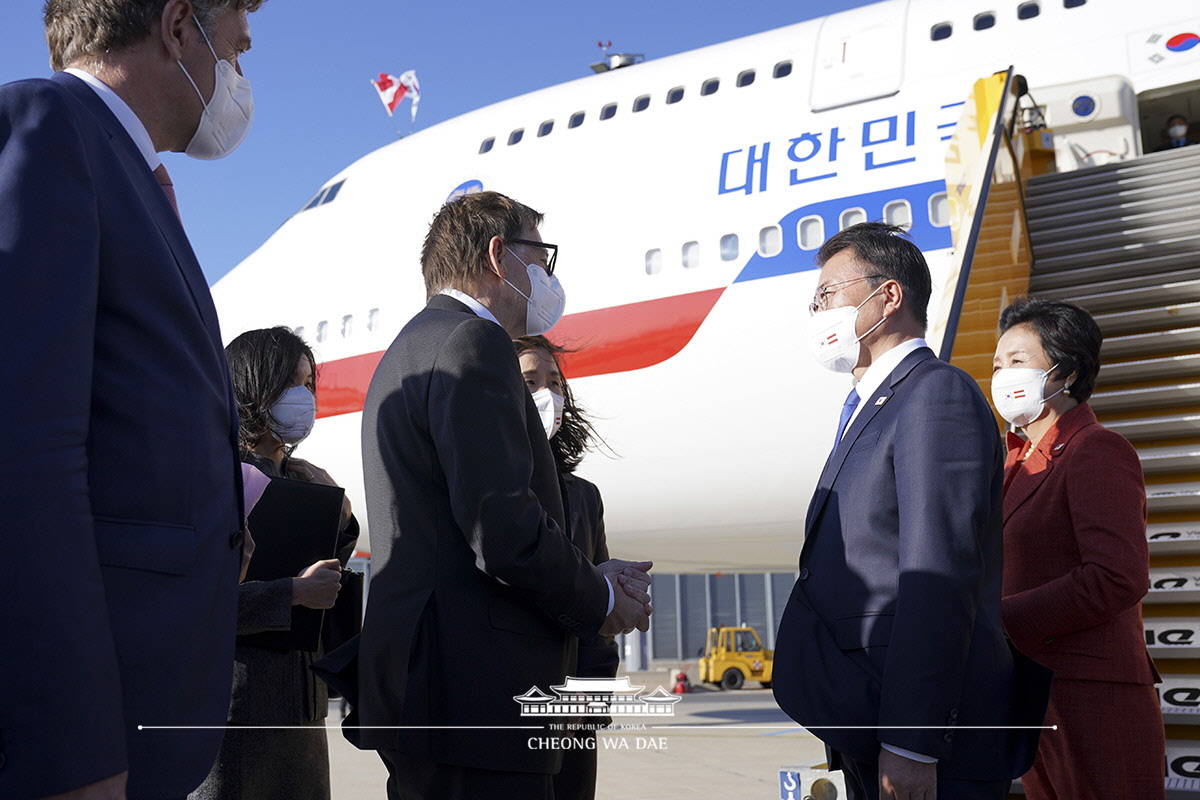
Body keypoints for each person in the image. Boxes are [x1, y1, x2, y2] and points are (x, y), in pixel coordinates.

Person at [0, 1, 264, 798]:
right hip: (87, 747)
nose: (241, 78)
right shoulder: (48, 125)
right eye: (238, 49)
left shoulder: (132, 171)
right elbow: (23, 459)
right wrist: (72, 756)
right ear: (179, 27)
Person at [355, 190, 652, 799]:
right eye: (540, 257)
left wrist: (589, 571)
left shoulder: (418, 342)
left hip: (436, 686)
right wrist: (598, 596)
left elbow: (458, 528)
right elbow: (502, 530)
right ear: (499, 256)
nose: (547, 275)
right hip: (476, 689)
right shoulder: (473, 340)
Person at [771, 223, 1051, 800]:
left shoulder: (934, 394)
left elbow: (937, 574)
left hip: (922, 741)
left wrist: (913, 739)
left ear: (888, 296)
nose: (817, 313)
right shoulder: (875, 403)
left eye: (827, 296)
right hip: (871, 719)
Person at [992, 297, 1164, 799]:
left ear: (1064, 370)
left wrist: (998, 620)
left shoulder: (1096, 449)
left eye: (1017, 362)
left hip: (1091, 693)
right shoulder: (1014, 461)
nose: (1002, 375)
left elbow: (1116, 577)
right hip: (1033, 689)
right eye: (997, 365)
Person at [190, 327, 359, 800]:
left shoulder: (302, 481)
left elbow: (326, 585)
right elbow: (196, 606)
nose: (304, 397)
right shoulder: (220, 481)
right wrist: (292, 594)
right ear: (252, 387)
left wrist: (339, 517)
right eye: (291, 383)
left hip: (301, 713)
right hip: (236, 716)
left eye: (308, 384)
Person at [514, 335, 618, 800]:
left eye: (554, 382)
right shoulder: (482, 490)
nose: (546, 395)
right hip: (504, 708)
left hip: (570, 714)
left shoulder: (583, 496)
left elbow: (598, 622)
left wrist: (589, 702)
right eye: (529, 381)